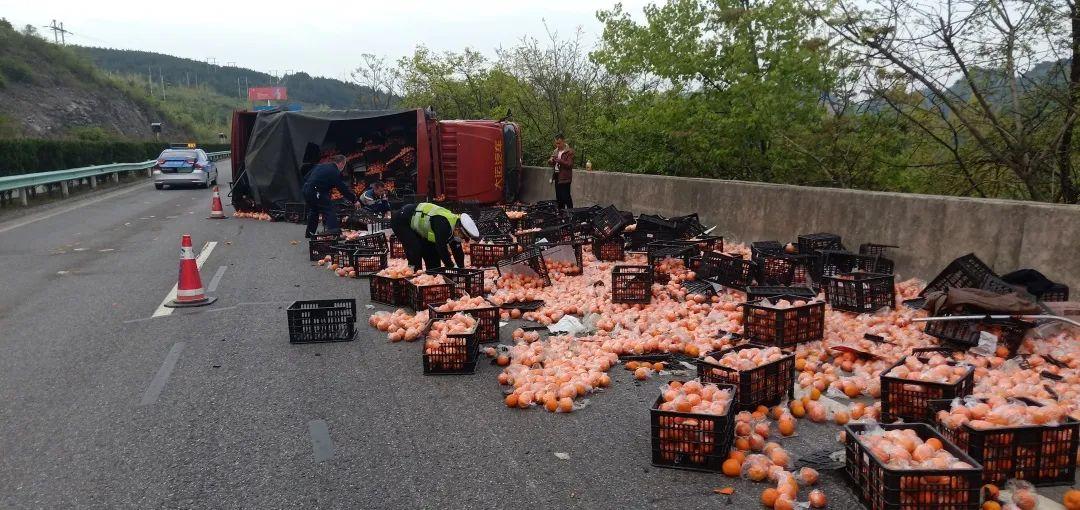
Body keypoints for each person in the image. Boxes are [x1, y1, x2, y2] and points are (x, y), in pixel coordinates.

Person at [390, 202, 480, 271]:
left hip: (419, 227)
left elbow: (457, 250)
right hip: (401, 220)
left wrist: (461, 269)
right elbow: (441, 248)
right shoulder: (444, 224)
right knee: (415, 249)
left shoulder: (455, 227)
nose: (461, 239)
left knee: (433, 255)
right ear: (458, 229)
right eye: (462, 236)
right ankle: (414, 275)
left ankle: (432, 275)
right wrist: (451, 267)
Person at [302, 155, 359, 238]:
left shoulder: (321, 166)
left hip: (307, 189)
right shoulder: (334, 171)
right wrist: (354, 199)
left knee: (314, 211)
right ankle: (334, 234)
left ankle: (309, 233)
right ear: (342, 163)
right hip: (317, 191)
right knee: (329, 210)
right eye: (344, 165)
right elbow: (342, 188)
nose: (343, 168)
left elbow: (306, 177)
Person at [547, 133, 574, 209]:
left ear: (563, 141)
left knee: (566, 197)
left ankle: (570, 213)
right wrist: (551, 161)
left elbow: (570, 164)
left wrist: (560, 161)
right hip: (557, 176)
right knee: (559, 197)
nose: (557, 145)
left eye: (559, 143)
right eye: (556, 143)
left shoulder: (569, 152)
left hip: (565, 177)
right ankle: (561, 214)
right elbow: (552, 161)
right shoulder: (555, 151)